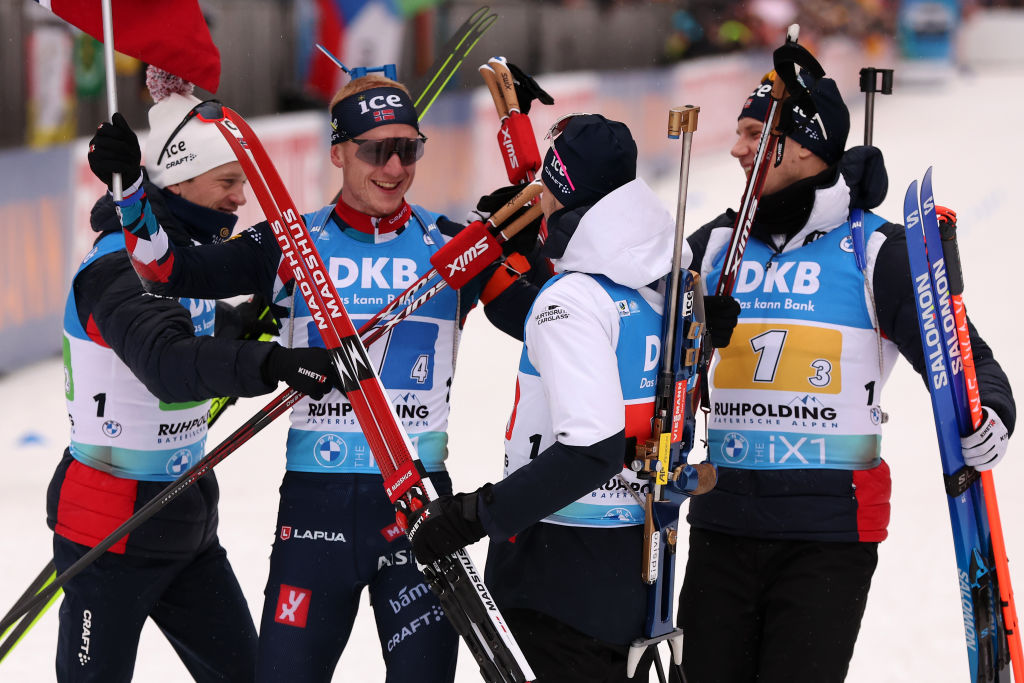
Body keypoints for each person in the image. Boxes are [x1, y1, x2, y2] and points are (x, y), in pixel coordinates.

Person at [97, 71, 543, 683]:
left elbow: (544, 322)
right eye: (373, 150)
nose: (393, 167)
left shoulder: (449, 244)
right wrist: (129, 194)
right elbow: (165, 269)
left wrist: (527, 241)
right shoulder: (289, 241)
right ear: (337, 153)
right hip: (316, 510)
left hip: (419, 509)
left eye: (407, 149)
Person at [674, 71, 1015, 682]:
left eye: (754, 133)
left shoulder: (875, 250)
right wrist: (692, 332)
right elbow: (642, 345)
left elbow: (970, 359)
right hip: (722, 523)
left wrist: (991, 411)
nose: (736, 148)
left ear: (803, 146)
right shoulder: (717, 245)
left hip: (827, 533)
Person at [406, 114, 741, 682]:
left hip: (553, 567)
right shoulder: (668, 280)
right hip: (632, 564)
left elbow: (592, 449)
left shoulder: (573, 299)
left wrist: (475, 515)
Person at [49, 70, 340, 683]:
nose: (241, 199)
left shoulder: (189, 264)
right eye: (228, 181)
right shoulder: (116, 265)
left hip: (185, 524)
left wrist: (254, 327)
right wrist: (273, 363)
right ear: (177, 180)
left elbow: (206, 332)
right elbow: (169, 365)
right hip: (111, 529)